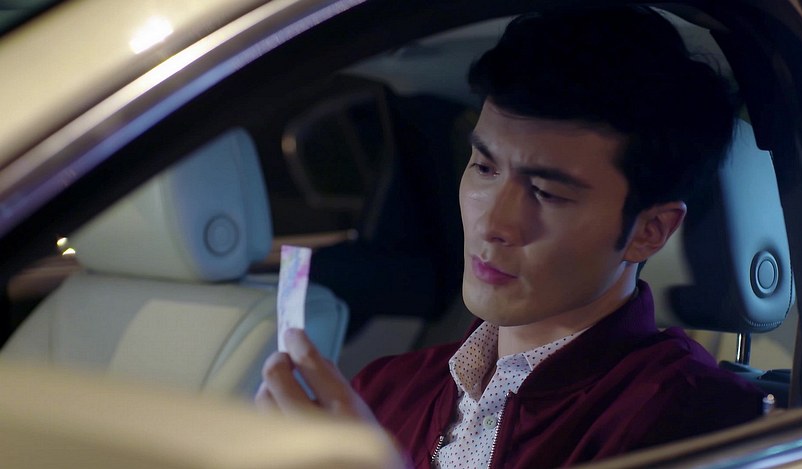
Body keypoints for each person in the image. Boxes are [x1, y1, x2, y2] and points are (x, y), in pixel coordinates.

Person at [256, 6, 766, 468]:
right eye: (483, 167)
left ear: (649, 232)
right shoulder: (386, 388)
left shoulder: (696, 419)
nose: (493, 223)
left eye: (546, 192)